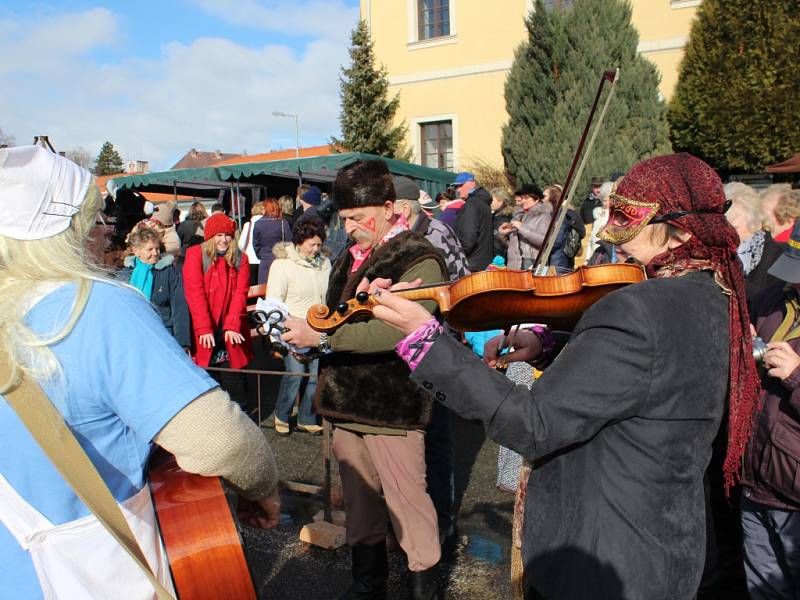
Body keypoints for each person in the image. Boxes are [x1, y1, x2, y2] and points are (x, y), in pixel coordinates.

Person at [366, 153, 761, 600]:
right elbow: (649, 373)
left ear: (682, 231)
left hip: (604, 559)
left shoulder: (639, 308)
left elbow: (533, 424)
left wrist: (424, 341)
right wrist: (553, 342)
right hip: (670, 549)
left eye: (629, 220)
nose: (614, 236)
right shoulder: (719, 294)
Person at [0, 145, 280, 599]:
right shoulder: (94, 308)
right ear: (65, 232)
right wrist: (261, 487)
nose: (106, 236)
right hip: (92, 571)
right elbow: (221, 442)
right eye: (95, 222)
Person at [281, 160, 446, 600]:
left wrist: (323, 340)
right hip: (346, 403)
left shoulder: (421, 259)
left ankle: (424, 592)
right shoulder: (346, 257)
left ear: (389, 207)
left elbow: (399, 331)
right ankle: (366, 589)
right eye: (346, 219)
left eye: (358, 218)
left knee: (409, 510)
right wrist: (308, 341)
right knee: (359, 510)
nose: (349, 228)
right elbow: (335, 320)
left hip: (391, 405)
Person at [741, 220, 800, 599]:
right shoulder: (777, 297)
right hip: (757, 482)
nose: (793, 282)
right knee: (763, 589)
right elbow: (738, 303)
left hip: (795, 492)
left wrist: (796, 376)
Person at [266, 217, 331, 436]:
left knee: (314, 376)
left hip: (318, 328)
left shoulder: (325, 263)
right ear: (300, 242)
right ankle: (282, 414)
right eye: (312, 244)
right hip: (290, 328)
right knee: (295, 374)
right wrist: (277, 336)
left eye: (320, 244)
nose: (317, 249)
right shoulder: (282, 265)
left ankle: (307, 417)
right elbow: (273, 302)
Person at [183, 213, 253, 412]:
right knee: (208, 378)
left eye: (227, 235)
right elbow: (194, 293)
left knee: (235, 377)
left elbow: (241, 293)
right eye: (219, 235)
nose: (223, 240)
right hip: (204, 325)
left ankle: (243, 419)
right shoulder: (196, 254)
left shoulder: (241, 258)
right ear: (210, 236)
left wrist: (232, 324)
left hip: (230, 325)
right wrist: (204, 328)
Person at [117, 226, 191, 349]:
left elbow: (179, 306)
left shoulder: (168, 271)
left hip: (162, 332)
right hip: (132, 334)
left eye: (157, 248)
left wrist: (182, 342)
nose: (155, 253)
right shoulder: (125, 274)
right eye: (150, 249)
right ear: (136, 251)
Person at [393, 176, 470, 281]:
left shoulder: (437, 233)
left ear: (405, 209)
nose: (386, 215)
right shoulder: (394, 235)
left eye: (388, 207)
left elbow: (460, 277)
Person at [724, 181, 783, 299]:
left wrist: (733, 280)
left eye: (734, 227)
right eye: (721, 227)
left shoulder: (778, 255)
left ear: (754, 223)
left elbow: (774, 301)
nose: (727, 233)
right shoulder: (716, 253)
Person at [497, 183, 552, 269]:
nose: (522, 201)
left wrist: (521, 227)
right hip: (514, 264)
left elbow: (544, 241)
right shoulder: (518, 215)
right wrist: (502, 234)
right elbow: (510, 244)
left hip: (531, 263)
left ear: (536, 199)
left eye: (526, 198)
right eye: (522, 198)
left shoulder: (544, 216)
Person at [453, 172, 494, 272]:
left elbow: (468, 239)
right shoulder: (483, 203)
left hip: (471, 265)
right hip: (482, 262)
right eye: (456, 187)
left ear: (472, 183)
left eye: (460, 185)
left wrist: (456, 255)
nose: (458, 190)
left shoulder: (472, 204)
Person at [544, 184, 586, 270]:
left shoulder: (563, 214)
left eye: (544, 196)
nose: (541, 199)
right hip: (562, 258)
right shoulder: (557, 213)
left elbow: (557, 240)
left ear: (552, 198)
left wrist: (540, 244)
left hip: (559, 260)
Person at [252, 198, 292, 285]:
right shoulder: (282, 222)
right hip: (280, 259)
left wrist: (261, 255)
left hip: (265, 260)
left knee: (264, 289)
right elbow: (289, 241)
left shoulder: (258, 223)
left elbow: (255, 244)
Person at [584, 181, 613, 261]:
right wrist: (587, 258)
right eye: (604, 200)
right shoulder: (598, 214)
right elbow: (592, 238)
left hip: (606, 254)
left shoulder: (614, 216)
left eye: (609, 200)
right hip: (595, 254)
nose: (606, 203)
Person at [238, 201, 264, 285]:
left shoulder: (248, 225)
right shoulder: (267, 224)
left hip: (249, 259)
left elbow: (241, 244)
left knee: (251, 286)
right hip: (263, 259)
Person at [490, 187, 515, 262]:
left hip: (499, 258)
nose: (490, 202)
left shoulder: (504, 217)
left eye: (492, 200)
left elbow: (501, 241)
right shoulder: (496, 214)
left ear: (500, 201)